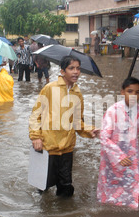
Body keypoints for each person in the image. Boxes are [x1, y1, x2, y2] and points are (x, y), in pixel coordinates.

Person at [29, 56, 99, 197]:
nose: (76, 72)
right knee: (43, 189)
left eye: (78, 68)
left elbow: (78, 122)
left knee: (66, 189)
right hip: (48, 147)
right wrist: (36, 137)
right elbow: (36, 114)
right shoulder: (49, 88)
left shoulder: (77, 93)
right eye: (71, 68)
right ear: (62, 71)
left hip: (67, 148)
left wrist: (89, 130)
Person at [97, 77, 139, 209]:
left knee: (132, 184)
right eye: (130, 91)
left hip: (132, 156)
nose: (134, 96)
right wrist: (119, 156)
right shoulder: (113, 111)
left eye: (137, 92)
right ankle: (110, 212)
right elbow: (103, 137)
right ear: (122, 92)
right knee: (111, 188)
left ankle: (132, 207)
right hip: (113, 159)